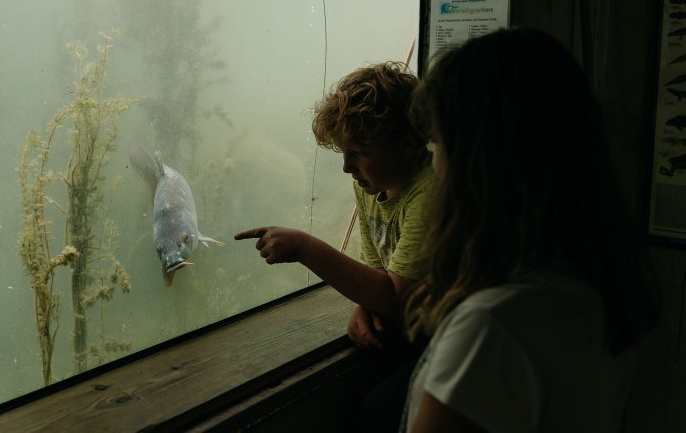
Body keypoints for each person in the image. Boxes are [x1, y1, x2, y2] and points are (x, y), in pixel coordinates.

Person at [400, 27, 660, 432]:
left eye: (438, 144)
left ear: (479, 164)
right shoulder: (599, 289)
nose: (434, 166)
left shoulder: (492, 329)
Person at [234, 61, 435, 432]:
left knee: (376, 417)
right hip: (411, 334)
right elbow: (378, 273)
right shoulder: (370, 185)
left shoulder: (428, 195)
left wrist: (306, 249)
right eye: (343, 153)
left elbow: (395, 297)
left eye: (358, 152)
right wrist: (364, 302)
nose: (346, 168)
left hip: (447, 339)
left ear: (407, 146)